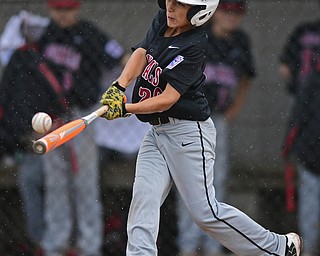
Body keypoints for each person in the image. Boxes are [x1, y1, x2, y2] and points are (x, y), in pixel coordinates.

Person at [99, 0, 302, 255]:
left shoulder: (194, 44)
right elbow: (141, 52)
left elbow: (167, 99)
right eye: (170, 2)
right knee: (144, 199)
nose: (171, 8)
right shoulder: (164, 20)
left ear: (199, 10)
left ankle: (278, 248)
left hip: (188, 134)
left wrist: (126, 109)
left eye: (180, 5)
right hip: (156, 134)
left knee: (205, 212)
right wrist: (119, 86)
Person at [34, 0, 127, 255]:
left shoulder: (89, 33)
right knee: (55, 182)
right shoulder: (44, 33)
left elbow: (123, 59)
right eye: (58, 9)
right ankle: (56, 241)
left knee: (84, 182)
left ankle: (89, 245)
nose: (63, 15)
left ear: (78, 8)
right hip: (51, 117)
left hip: (81, 116)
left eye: (68, 9)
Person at [176, 0, 255, 255]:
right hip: (189, 119)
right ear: (214, 12)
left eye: (236, 12)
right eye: (226, 11)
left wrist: (236, 108)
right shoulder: (198, 36)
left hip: (217, 118)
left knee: (216, 182)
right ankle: (188, 245)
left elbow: (246, 77)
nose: (231, 17)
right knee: (189, 181)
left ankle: (211, 247)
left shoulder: (240, 41)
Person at [0, 11, 53, 256]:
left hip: (59, 136)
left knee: (59, 186)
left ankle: (61, 241)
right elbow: (10, 106)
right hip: (28, 143)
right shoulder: (18, 62)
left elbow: (64, 97)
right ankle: (40, 242)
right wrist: (21, 137)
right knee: (30, 181)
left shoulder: (51, 56)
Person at [279, 9, 320, 255]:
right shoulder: (313, 82)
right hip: (312, 156)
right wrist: (288, 148)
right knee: (310, 213)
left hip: (311, 154)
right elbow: (297, 120)